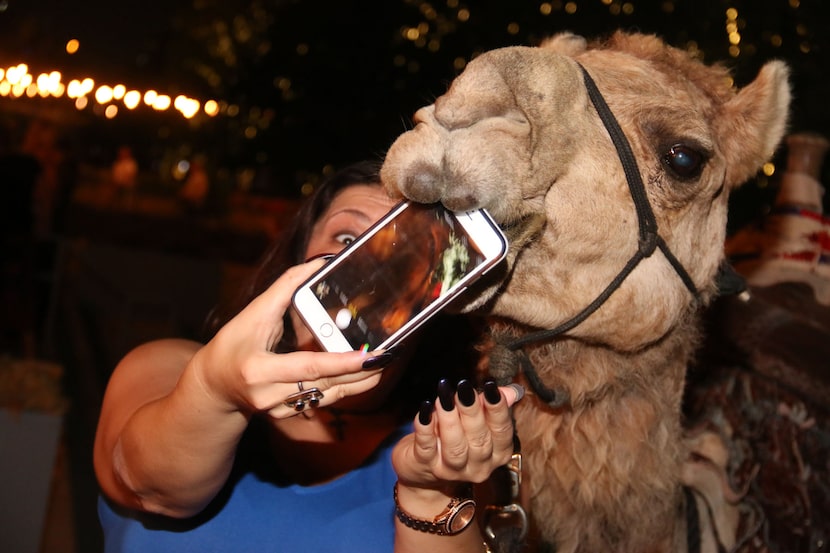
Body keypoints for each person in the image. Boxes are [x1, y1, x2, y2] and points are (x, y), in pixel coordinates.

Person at [93, 160, 523, 553]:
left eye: (406, 255)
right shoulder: (168, 366)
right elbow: (151, 487)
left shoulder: (448, 446)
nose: (366, 270)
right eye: (348, 238)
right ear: (298, 257)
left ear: (437, 301)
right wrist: (215, 390)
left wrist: (429, 493)